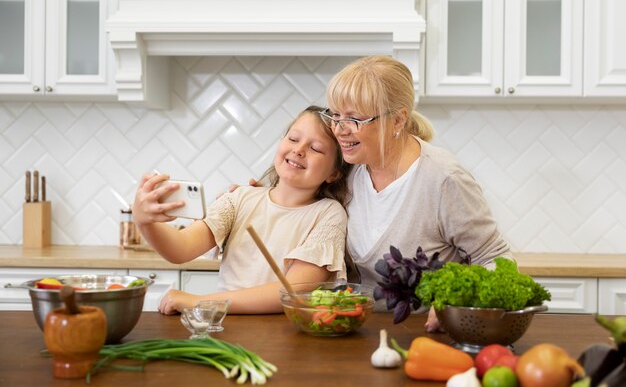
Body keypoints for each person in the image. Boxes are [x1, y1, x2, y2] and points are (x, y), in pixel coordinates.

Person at [322, 55, 514, 331]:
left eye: (354, 118)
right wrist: (257, 197)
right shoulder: (349, 171)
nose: (339, 130)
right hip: (359, 332)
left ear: (398, 120)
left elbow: (496, 259)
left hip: (431, 336)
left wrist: (456, 302)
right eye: (335, 115)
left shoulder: (443, 179)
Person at [132, 105, 351, 315]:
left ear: (334, 173)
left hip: (286, 335)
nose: (299, 150)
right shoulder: (239, 199)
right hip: (226, 327)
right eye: (293, 138)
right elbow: (180, 249)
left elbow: (294, 290)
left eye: (316, 149)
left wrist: (200, 302)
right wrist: (145, 222)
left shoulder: (329, 214)